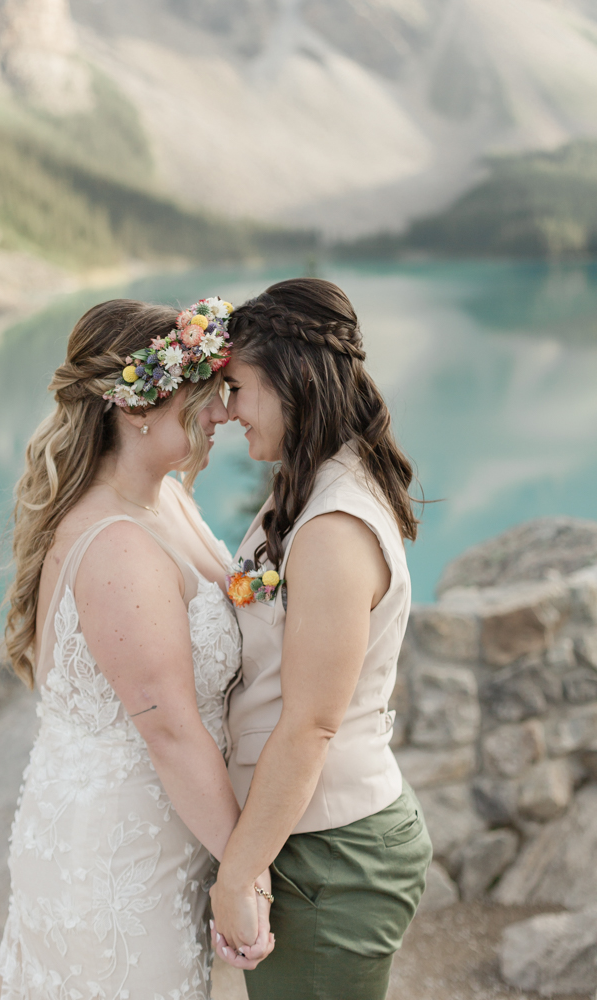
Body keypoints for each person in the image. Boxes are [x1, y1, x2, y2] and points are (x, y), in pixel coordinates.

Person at [0, 297, 274, 1000]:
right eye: (204, 393)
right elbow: (171, 731)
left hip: (168, 830)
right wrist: (251, 873)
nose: (223, 412)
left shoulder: (165, 498)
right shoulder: (116, 545)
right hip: (117, 854)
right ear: (138, 405)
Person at [210, 278, 433, 1000]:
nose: (228, 410)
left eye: (237, 388)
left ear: (291, 379)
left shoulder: (334, 527)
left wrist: (237, 873)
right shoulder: (305, 489)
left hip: (333, 856)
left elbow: (311, 724)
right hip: (309, 844)